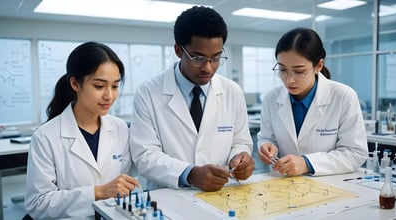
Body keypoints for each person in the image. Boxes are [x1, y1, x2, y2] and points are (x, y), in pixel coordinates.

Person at [129, 6, 255, 192]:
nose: (208, 68)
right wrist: (189, 174)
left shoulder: (232, 91)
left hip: (221, 194)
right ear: (178, 50)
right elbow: (145, 155)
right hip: (169, 196)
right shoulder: (148, 92)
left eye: (216, 58)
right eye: (198, 58)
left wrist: (240, 157)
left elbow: (240, 141)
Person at [24, 42, 140, 219]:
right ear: (75, 84)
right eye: (99, 86)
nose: (109, 95)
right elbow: (38, 204)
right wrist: (98, 192)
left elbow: (125, 184)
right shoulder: (46, 136)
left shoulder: (120, 128)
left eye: (115, 86)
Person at [257, 27, 368, 176]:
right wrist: (267, 146)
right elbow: (266, 137)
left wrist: (307, 163)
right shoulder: (271, 98)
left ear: (319, 66)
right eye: (282, 70)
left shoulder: (343, 96)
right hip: (284, 185)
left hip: (331, 186)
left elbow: (355, 153)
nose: (289, 79)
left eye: (299, 71)